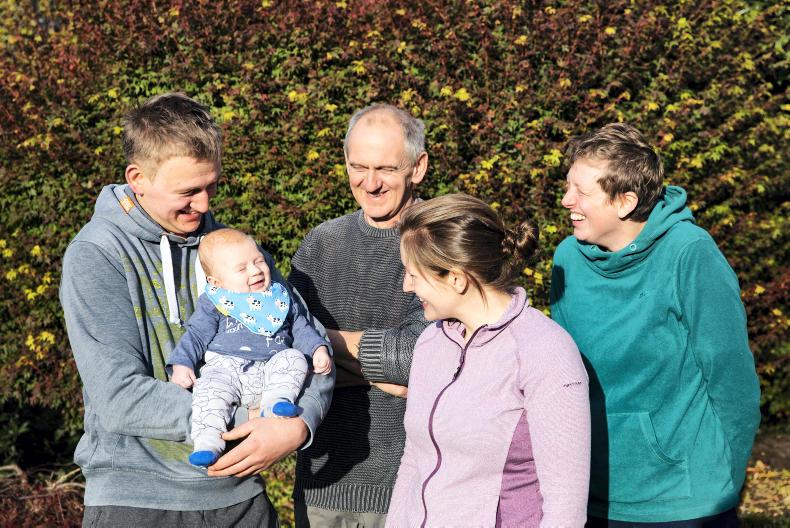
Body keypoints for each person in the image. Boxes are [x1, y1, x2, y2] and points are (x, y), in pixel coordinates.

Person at [60, 92, 333, 527]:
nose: (204, 206)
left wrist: (299, 425)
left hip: (240, 497)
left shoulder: (237, 252)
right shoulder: (97, 254)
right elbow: (119, 397)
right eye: (188, 191)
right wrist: (253, 418)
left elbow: (307, 340)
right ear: (138, 178)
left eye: (212, 186)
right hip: (136, 502)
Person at [550, 123, 761, 526]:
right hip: (591, 495)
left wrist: (723, 485)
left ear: (625, 202)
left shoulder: (689, 253)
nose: (566, 200)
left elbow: (732, 381)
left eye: (581, 191)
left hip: (685, 503)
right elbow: (564, 380)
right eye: (567, 186)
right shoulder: (567, 258)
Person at [386, 193, 591, 527]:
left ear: (457, 279)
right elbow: (414, 460)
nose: (407, 287)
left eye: (414, 275)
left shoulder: (545, 351)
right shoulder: (431, 341)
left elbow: (565, 505)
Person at [288, 103, 430, 527]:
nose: (370, 183)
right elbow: (282, 350)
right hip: (322, 484)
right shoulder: (321, 245)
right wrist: (385, 372)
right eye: (358, 167)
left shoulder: (439, 242)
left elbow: (419, 357)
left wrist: (321, 348)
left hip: (412, 488)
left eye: (385, 168)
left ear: (418, 168)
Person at [167, 228, 332, 467]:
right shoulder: (215, 301)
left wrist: (317, 349)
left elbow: (301, 328)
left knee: (294, 358)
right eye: (242, 268)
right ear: (216, 282)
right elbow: (196, 335)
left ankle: (276, 403)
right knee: (208, 391)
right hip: (226, 370)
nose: (255, 270)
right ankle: (207, 442)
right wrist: (182, 364)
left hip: (271, 372)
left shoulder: (279, 297)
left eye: (259, 261)